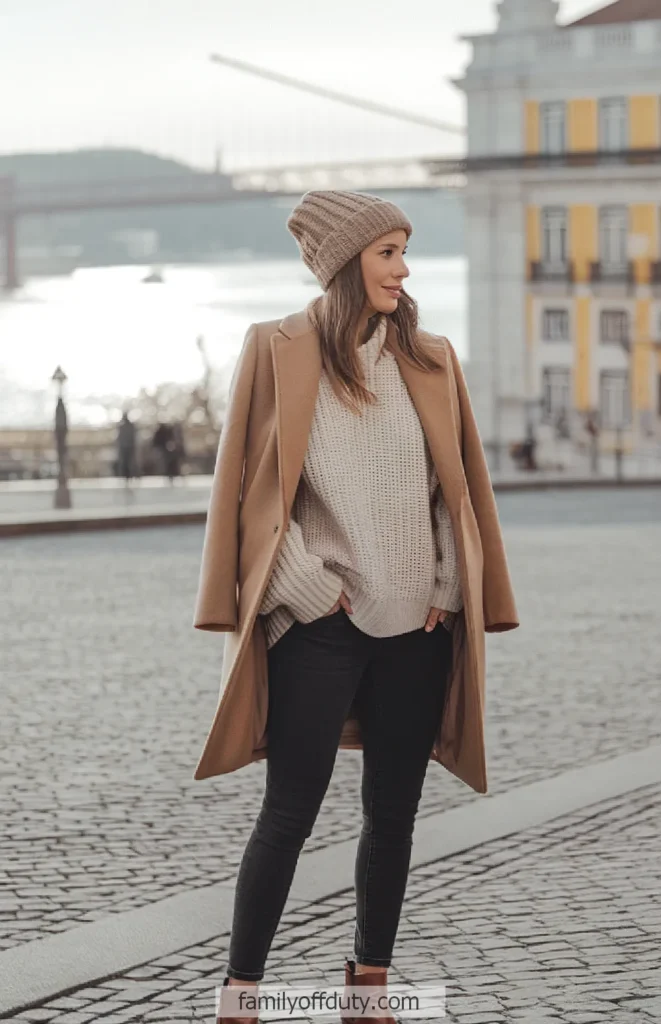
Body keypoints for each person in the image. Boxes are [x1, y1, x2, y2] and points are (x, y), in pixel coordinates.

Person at [192, 190, 519, 1024]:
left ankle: (368, 983)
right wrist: (303, 589)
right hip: (321, 624)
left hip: (419, 626)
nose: (403, 270)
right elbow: (252, 491)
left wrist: (448, 585)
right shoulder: (276, 350)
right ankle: (242, 992)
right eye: (386, 253)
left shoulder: (431, 358)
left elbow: (456, 492)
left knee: (394, 815)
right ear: (344, 262)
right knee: (289, 813)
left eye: (405, 252)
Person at [116, 410, 137, 485]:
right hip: (128, 446)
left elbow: (119, 438)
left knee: (126, 462)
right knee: (128, 462)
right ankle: (128, 476)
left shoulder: (121, 426)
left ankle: (127, 476)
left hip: (125, 446)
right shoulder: (130, 425)